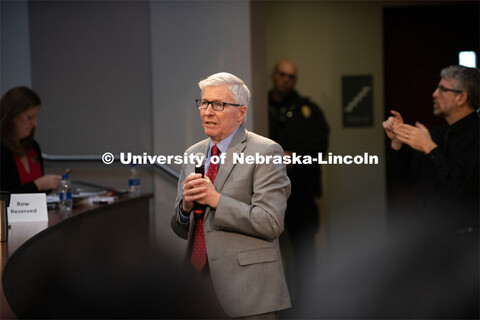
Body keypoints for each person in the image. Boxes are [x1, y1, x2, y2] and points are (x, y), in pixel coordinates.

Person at [171, 72, 291, 319]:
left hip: (248, 290)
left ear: (241, 112)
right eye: (204, 103)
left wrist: (216, 200)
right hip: (197, 288)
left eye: (219, 104)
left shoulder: (266, 151)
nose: (207, 111)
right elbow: (181, 228)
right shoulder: (192, 154)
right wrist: (185, 207)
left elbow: (271, 222)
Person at [382, 65, 479, 317]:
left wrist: (430, 148)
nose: (434, 93)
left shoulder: (476, 137)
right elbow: (403, 178)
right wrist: (396, 142)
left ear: (461, 97)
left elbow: (465, 190)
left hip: (467, 248)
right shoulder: (436, 133)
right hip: (430, 243)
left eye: (442, 88)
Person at [268, 59, 329, 303]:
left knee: (304, 255)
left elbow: (320, 146)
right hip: (266, 193)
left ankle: (307, 306)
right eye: (282, 75)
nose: (286, 80)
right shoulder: (256, 108)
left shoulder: (309, 110)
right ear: (274, 76)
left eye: (291, 76)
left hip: (301, 192)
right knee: (267, 255)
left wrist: (296, 156)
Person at [1, 86, 61, 193]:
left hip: (37, 209)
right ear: (12, 116)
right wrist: (38, 185)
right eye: (29, 118)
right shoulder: (3, 150)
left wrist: (49, 184)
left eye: (36, 117)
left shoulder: (33, 146)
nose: (35, 124)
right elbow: (4, 197)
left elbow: (39, 193)